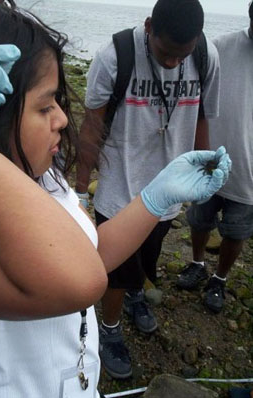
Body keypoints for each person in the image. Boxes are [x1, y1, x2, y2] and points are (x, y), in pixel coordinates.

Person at [0, 1, 231, 396]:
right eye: (45, 105)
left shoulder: (44, 181)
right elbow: (79, 281)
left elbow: (91, 255)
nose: (64, 119)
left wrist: (154, 197)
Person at [75, 0, 220, 379]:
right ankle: (109, 329)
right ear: (149, 26)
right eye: (165, 53)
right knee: (117, 270)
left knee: (146, 260)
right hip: (119, 189)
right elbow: (92, 124)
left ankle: (136, 297)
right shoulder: (115, 55)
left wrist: (206, 170)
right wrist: (79, 191)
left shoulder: (206, 56)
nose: (173, 63)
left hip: (168, 193)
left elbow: (203, 114)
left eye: (181, 56)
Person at [176, 2, 253, 314]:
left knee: (236, 232)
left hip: (249, 175)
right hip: (212, 160)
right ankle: (197, 263)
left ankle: (220, 278)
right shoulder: (222, 48)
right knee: (199, 219)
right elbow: (196, 95)